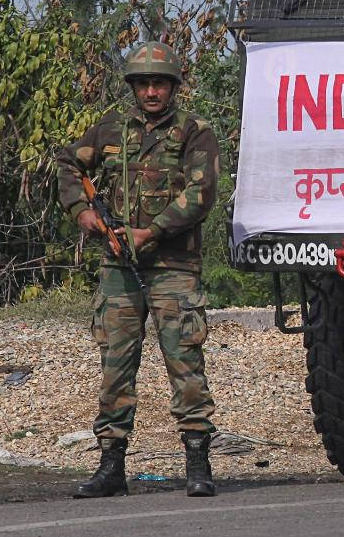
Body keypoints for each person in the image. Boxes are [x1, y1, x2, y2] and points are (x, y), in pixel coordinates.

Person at [57, 41, 221, 498]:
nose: (152, 91)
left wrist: (156, 230)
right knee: (115, 363)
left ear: (172, 87)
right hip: (118, 265)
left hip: (173, 264)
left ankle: (198, 463)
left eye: (160, 83)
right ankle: (111, 466)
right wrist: (82, 213)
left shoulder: (194, 131)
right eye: (144, 83)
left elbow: (201, 192)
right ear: (134, 87)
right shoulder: (111, 128)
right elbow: (68, 164)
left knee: (184, 361)